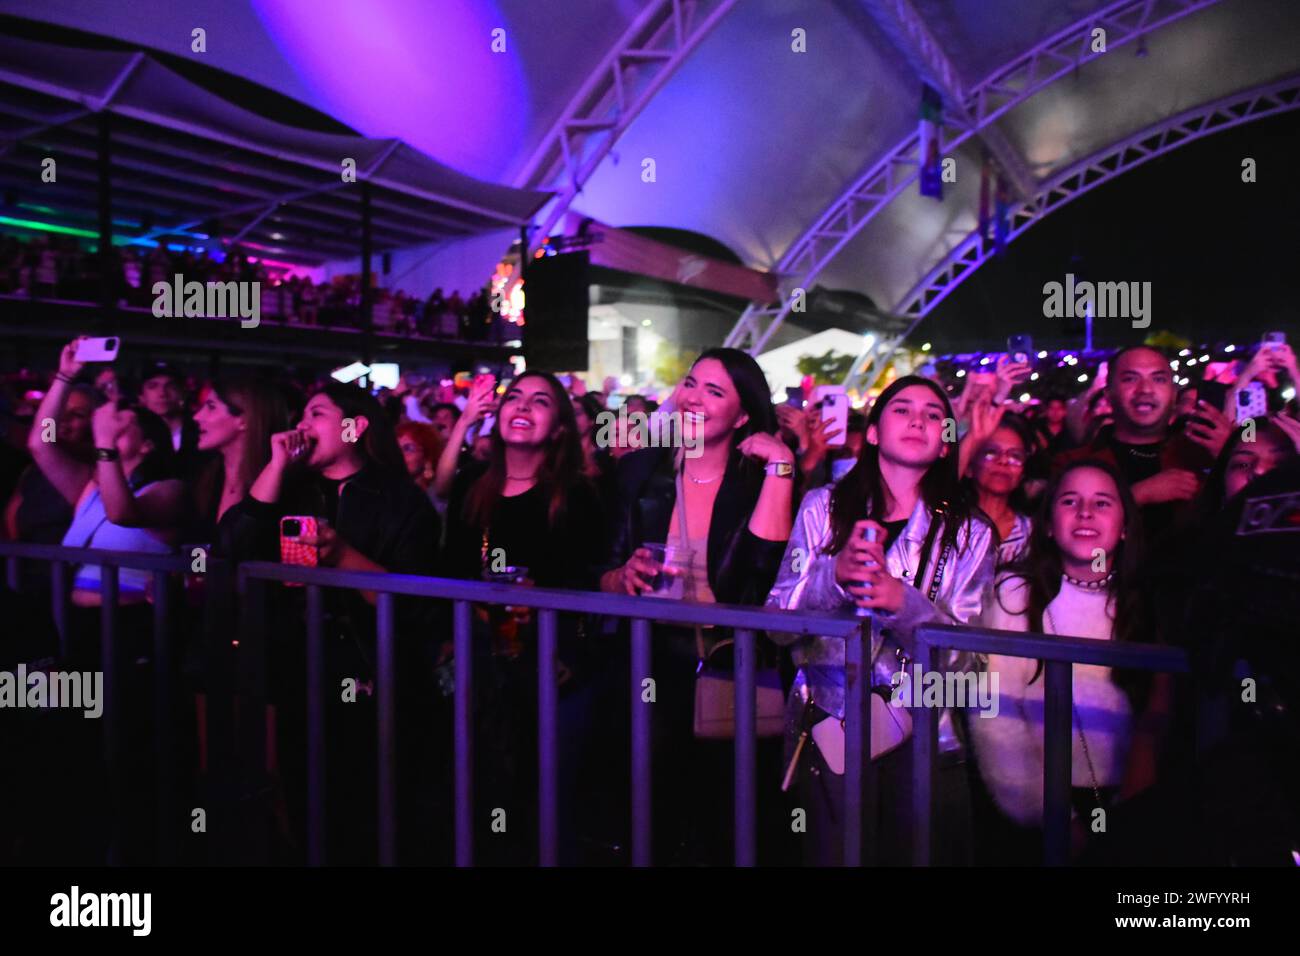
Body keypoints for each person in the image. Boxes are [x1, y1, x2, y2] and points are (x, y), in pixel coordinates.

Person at [766, 374, 995, 866]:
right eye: (902, 409)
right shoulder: (822, 508)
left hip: (927, 737)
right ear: (871, 433)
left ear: (944, 443)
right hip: (831, 723)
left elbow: (968, 665)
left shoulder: (971, 532)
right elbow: (777, 623)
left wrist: (902, 603)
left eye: (935, 415)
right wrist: (833, 578)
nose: (919, 419)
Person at [220, 382, 440, 864]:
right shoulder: (291, 488)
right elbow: (231, 545)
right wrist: (275, 467)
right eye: (300, 414)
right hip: (296, 669)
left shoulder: (400, 501)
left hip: (370, 676)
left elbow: (415, 604)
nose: (301, 423)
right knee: (300, 798)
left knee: (367, 808)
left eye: (316, 414)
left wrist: (340, 554)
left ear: (354, 427)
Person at [601, 348, 795, 864]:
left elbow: (758, 586)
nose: (694, 397)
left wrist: (781, 470)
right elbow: (598, 573)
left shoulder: (757, 479)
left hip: (732, 669)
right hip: (648, 664)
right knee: (650, 814)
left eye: (715, 391)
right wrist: (623, 576)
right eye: (691, 383)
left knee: (726, 820)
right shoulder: (640, 470)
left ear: (745, 414)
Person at [440, 371, 605, 863]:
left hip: (554, 668)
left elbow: (590, 577)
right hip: (485, 665)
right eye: (514, 397)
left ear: (558, 428)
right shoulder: (474, 484)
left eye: (540, 401)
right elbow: (450, 569)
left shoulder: (576, 495)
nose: (522, 407)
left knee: (548, 801)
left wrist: (546, 598)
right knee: (486, 794)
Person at [969, 461, 1167, 864]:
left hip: (1134, 804)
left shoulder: (1149, 602)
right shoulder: (1015, 595)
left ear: (1126, 526)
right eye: (1070, 501)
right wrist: (1056, 815)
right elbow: (996, 718)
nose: (1086, 513)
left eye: (1103, 503)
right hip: (1044, 809)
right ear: (1046, 525)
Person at [1054, 345, 1233, 545]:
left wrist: (1231, 458)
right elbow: (1058, 535)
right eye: (1130, 379)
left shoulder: (1201, 455)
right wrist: (1136, 495)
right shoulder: (1073, 463)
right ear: (1108, 394)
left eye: (1158, 379)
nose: (1146, 389)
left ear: (1174, 395)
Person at [959, 402, 1035, 563]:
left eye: (1015, 456)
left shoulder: (1032, 534)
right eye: (991, 453)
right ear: (969, 467)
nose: (1003, 461)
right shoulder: (947, 524)